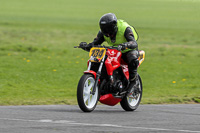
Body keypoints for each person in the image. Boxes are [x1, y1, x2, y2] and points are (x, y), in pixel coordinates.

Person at [80, 13, 139, 88]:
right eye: (105, 32)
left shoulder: (125, 28)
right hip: (115, 50)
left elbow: (134, 43)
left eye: (110, 32)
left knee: (132, 58)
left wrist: (125, 45)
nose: (108, 35)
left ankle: (133, 81)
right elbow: (95, 43)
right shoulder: (103, 32)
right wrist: (87, 46)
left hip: (127, 50)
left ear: (114, 27)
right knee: (102, 59)